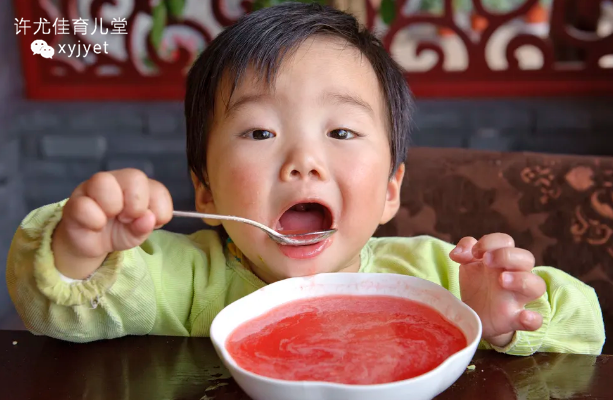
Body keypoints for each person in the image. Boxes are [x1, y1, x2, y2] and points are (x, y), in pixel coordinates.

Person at [6, 3, 605, 355]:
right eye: (261, 133)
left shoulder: (437, 277)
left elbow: (586, 330)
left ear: (391, 190)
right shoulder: (186, 278)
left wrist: (501, 318)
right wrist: (81, 249)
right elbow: (58, 312)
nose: (303, 162)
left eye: (341, 133)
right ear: (207, 194)